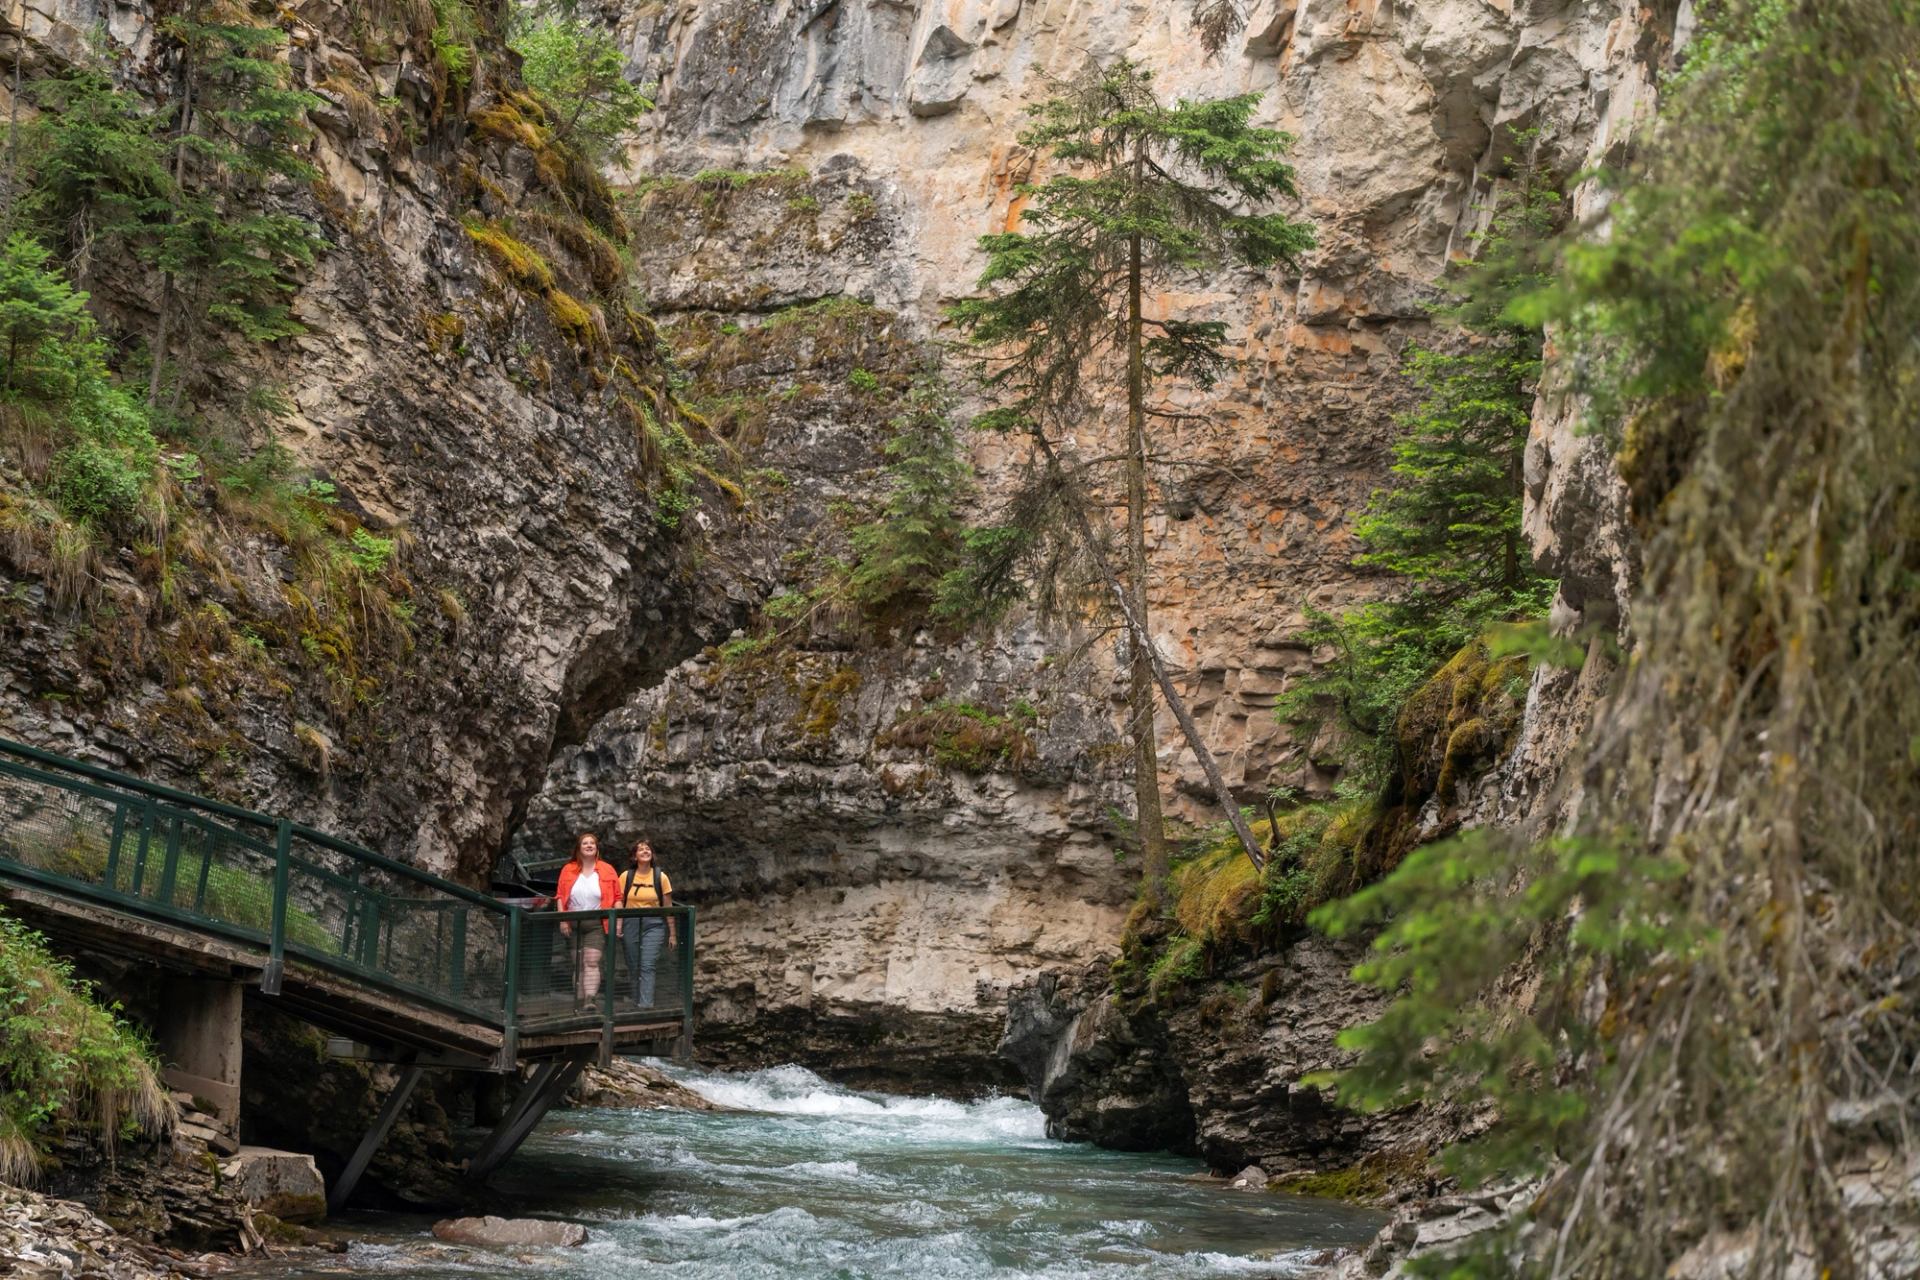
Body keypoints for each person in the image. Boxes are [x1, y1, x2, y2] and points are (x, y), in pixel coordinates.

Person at [555, 832, 620, 1004]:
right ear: (579, 848)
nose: (589, 845)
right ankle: (579, 1000)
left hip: (596, 923)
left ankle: (590, 1000)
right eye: (585, 843)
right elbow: (560, 897)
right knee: (578, 963)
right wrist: (563, 920)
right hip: (573, 922)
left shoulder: (607, 869)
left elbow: (617, 898)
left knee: (591, 961)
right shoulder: (568, 869)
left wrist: (618, 921)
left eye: (592, 843)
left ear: (597, 848)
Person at [618, 840, 675, 1008]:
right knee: (633, 964)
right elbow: (619, 902)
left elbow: (668, 906)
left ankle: (645, 1005)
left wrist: (672, 933)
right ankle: (637, 1001)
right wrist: (619, 925)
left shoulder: (661, 877)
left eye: (647, 848)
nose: (644, 851)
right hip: (631, 922)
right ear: (634, 856)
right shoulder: (626, 877)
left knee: (647, 964)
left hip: (654, 923)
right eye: (640, 849)